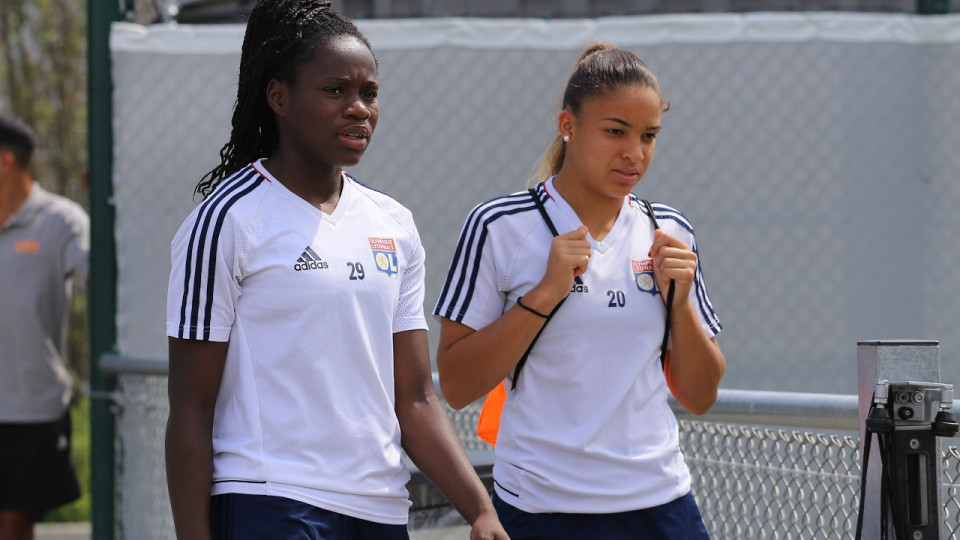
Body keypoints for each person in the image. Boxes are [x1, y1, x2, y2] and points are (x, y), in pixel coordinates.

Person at [164, 2, 508, 539]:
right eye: (335, 91)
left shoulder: (393, 224)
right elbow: (190, 406)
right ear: (279, 97)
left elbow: (415, 397)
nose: (358, 109)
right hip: (270, 502)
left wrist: (480, 509)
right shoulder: (227, 221)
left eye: (369, 93)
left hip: (379, 507)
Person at [433, 43, 725, 539]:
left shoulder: (669, 230)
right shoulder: (499, 225)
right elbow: (458, 386)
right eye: (615, 131)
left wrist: (680, 301)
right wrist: (543, 295)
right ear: (568, 125)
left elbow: (700, 395)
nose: (634, 153)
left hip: (662, 505)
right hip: (543, 510)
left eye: (649, 135)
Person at [0, 112, 88, 540]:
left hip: (30, 407)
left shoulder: (62, 220)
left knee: (13, 521)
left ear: (5, 161)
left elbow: (102, 278)